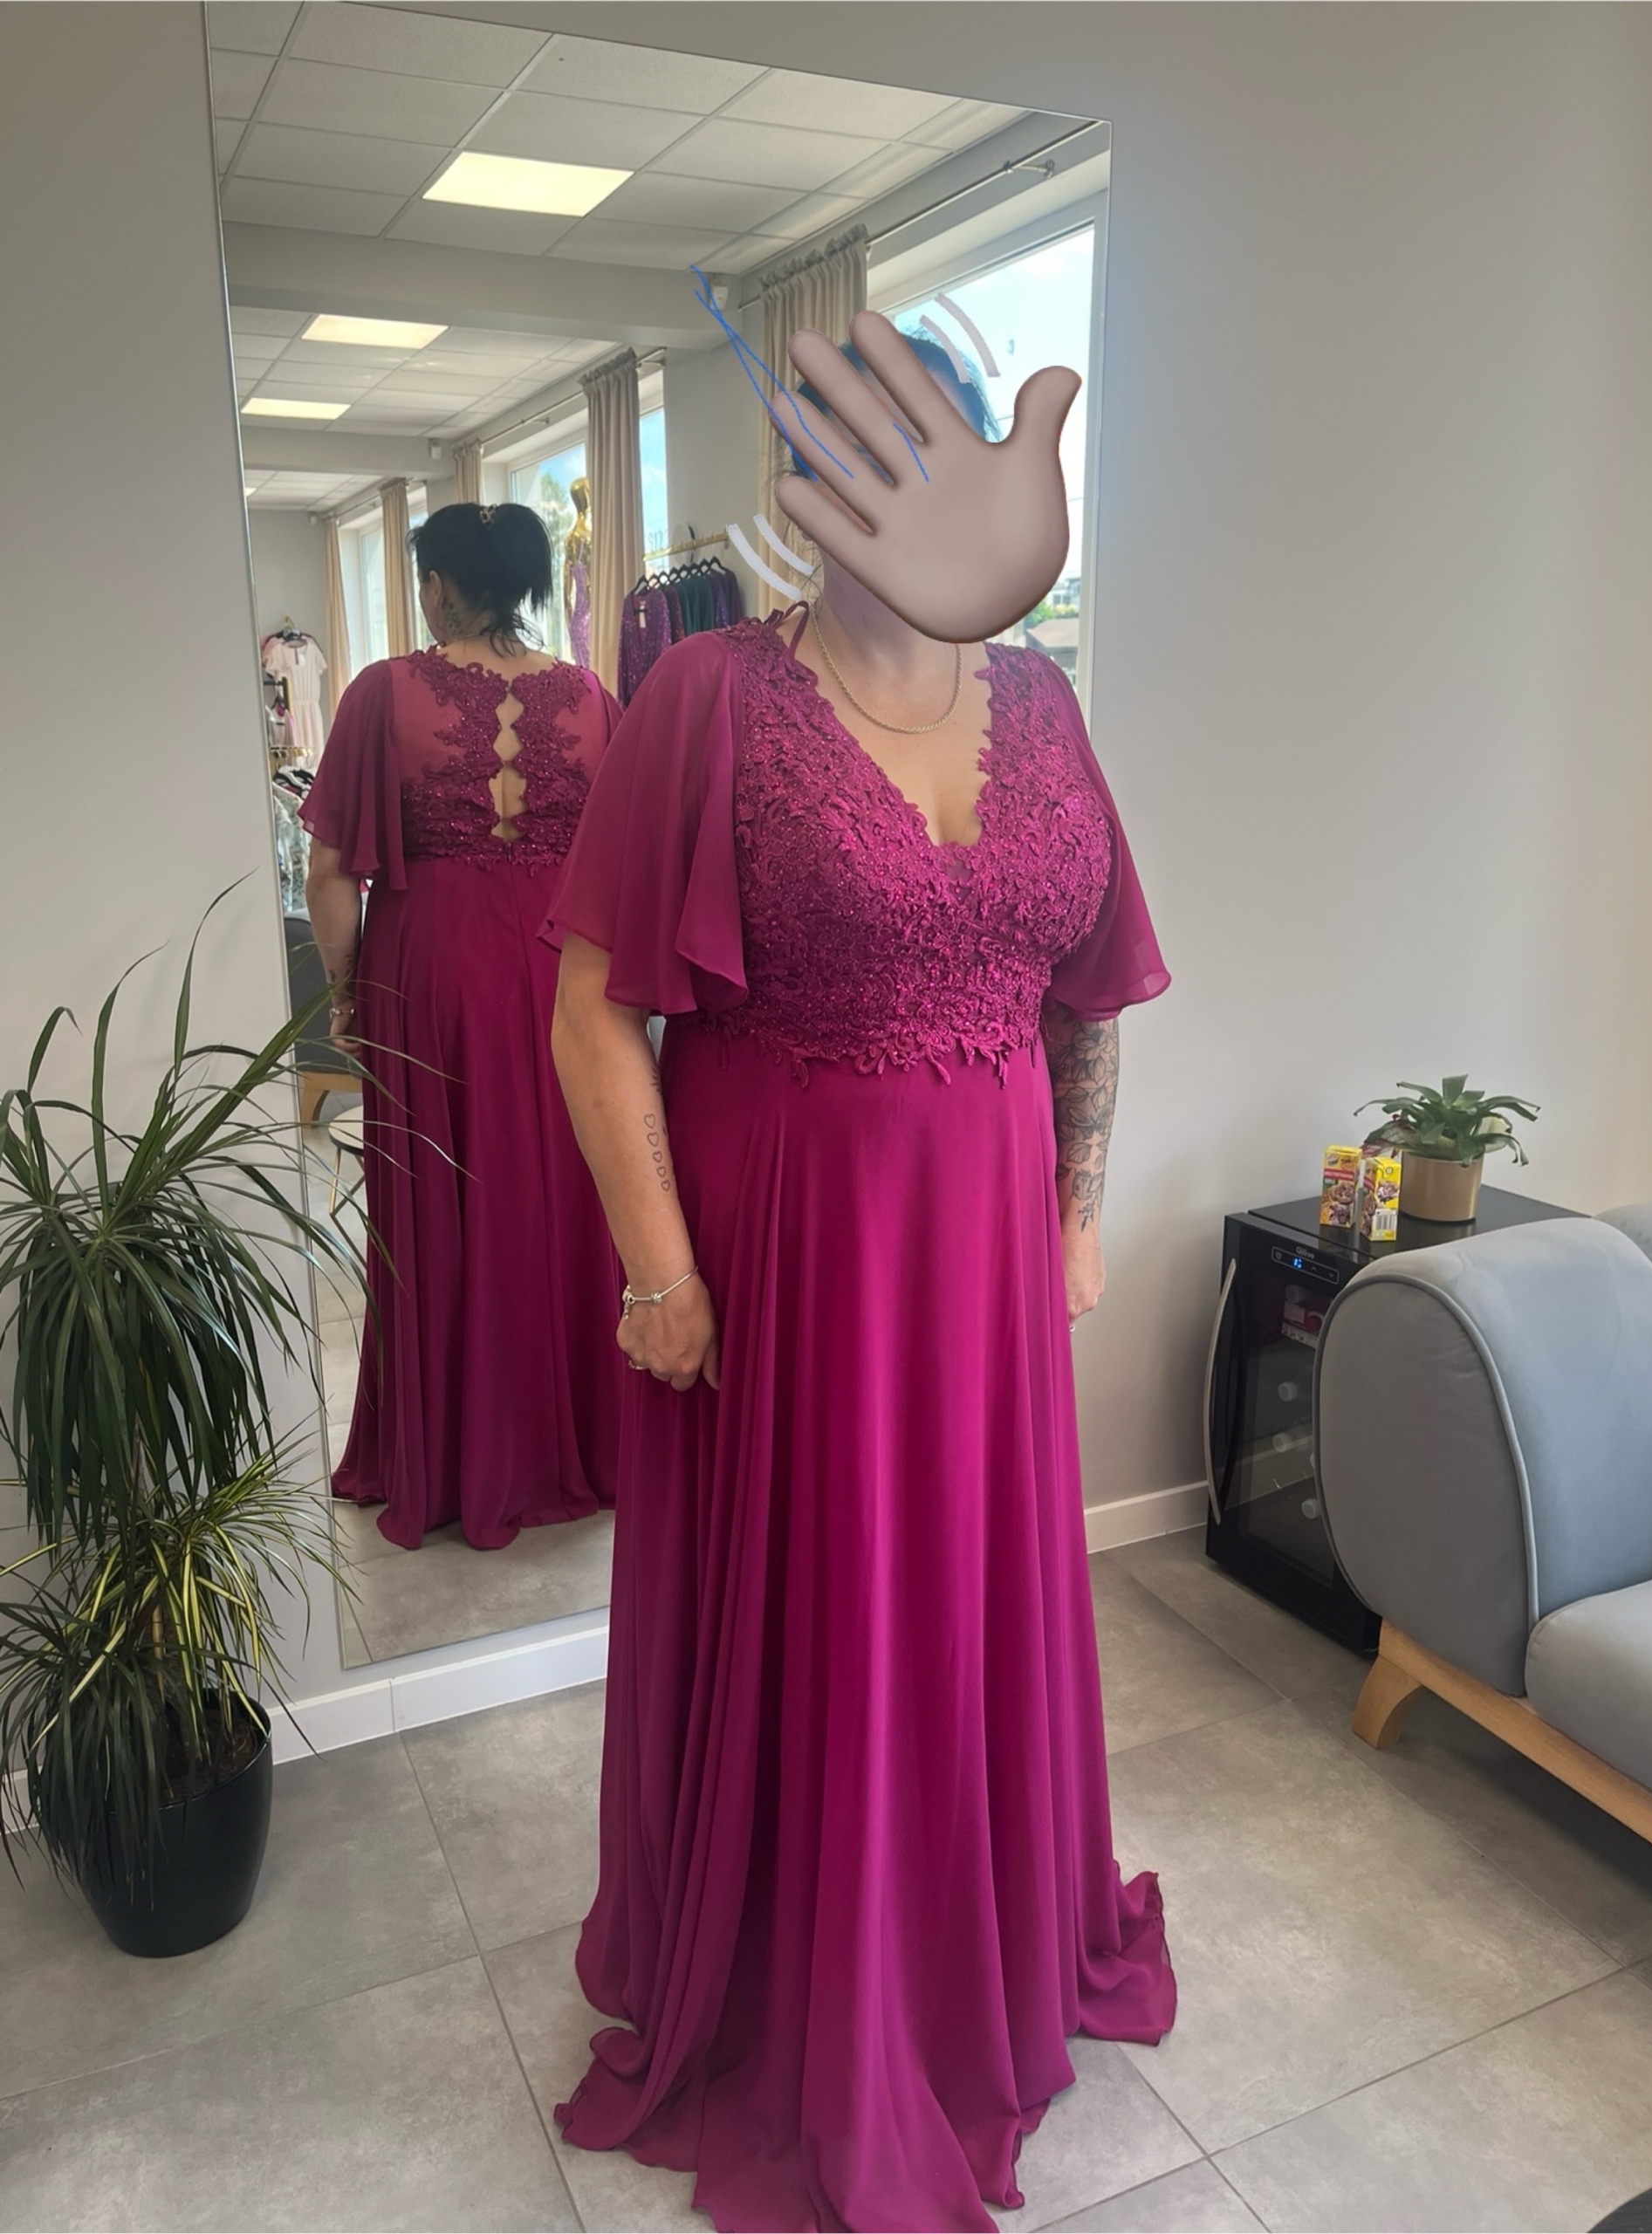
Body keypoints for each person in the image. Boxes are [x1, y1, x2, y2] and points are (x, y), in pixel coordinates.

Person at [545, 337, 1176, 2232]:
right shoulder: (708, 698)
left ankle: (973, 1951)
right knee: (817, 1599)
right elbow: (593, 1007)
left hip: (983, 1248)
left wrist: (1075, 1207)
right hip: (790, 1242)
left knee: (964, 1595)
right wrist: (659, 1269)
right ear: (806, 480)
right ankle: (806, 1984)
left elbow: (1091, 981)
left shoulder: (1043, 703)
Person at [304, 502, 622, 1549]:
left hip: (429, 981)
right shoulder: (591, 698)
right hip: (565, 975)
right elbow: (629, 864)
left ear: (440, 585)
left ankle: (452, 1455)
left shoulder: (381, 693)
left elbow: (331, 873)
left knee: (442, 1207)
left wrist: (346, 996)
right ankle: (575, 1439)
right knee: (566, 1198)